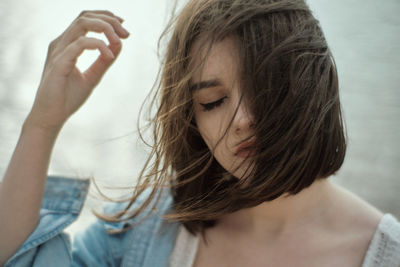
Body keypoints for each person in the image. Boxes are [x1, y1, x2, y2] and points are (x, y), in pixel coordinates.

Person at [1, 0, 399, 266]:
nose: (242, 119)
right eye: (212, 102)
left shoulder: (383, 252)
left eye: (263, 85)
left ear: (311, 84)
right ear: (194, 123)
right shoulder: (142, 231)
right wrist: (42, 124)